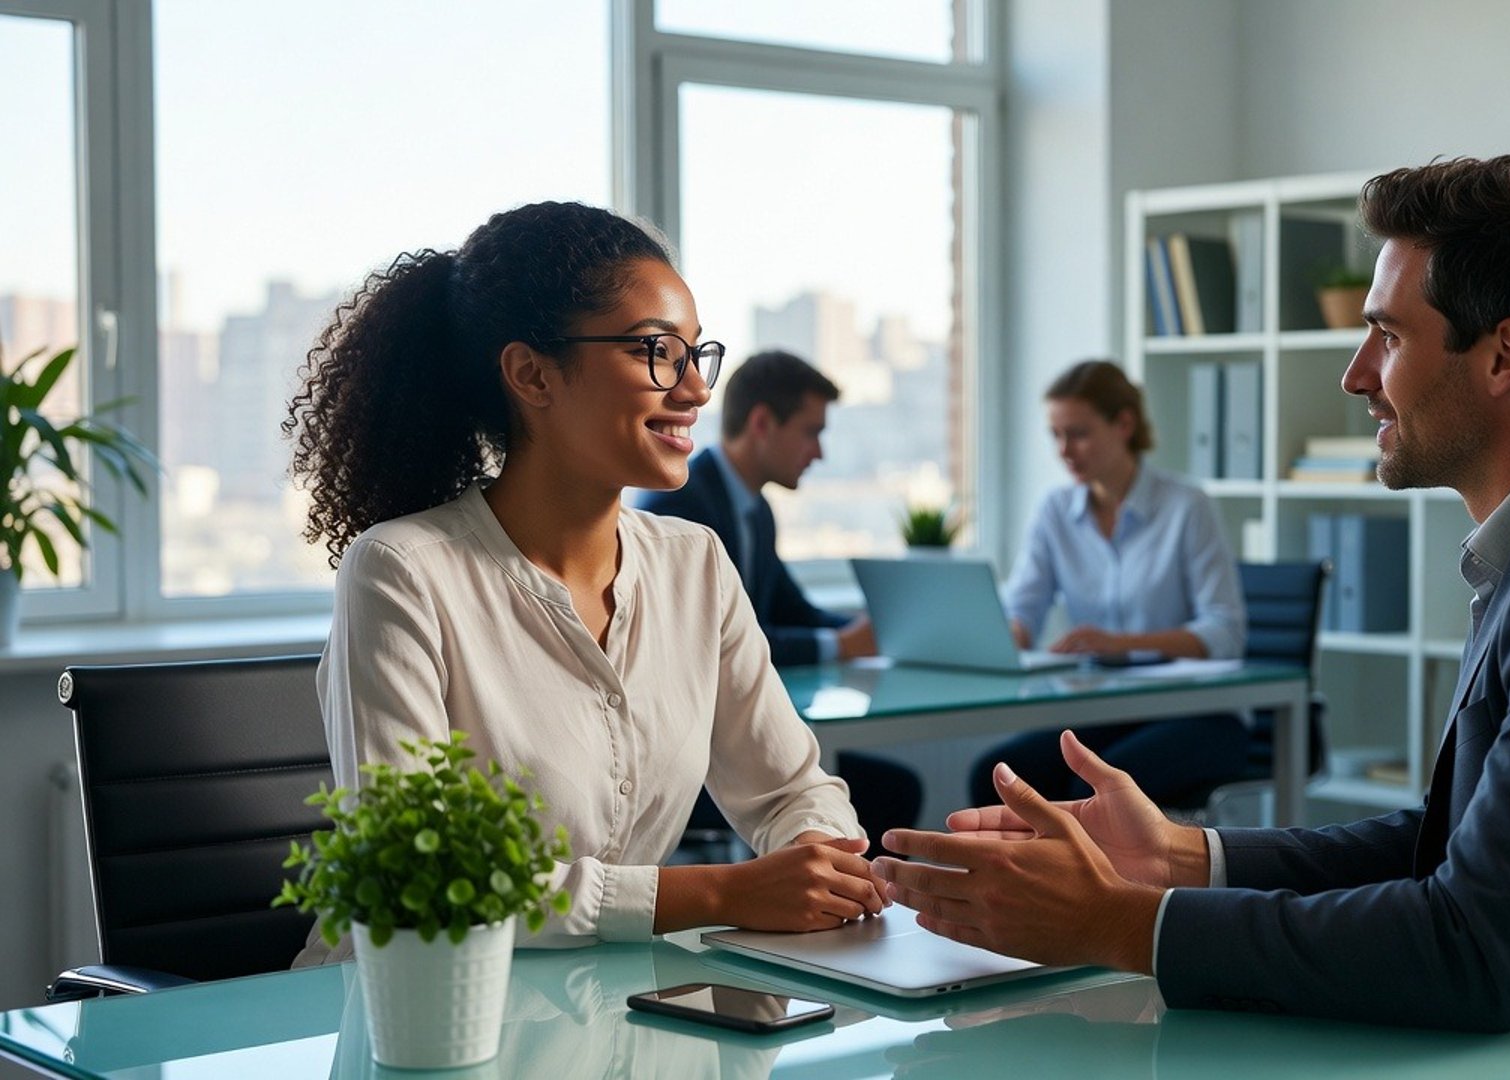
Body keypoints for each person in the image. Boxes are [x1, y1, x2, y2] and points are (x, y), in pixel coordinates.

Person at [873, 152, 1510, 1078]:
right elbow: (1453, 848)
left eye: (1388, 335)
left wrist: (1119, 926)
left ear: (1502, 356)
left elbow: (1468, 949)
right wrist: (1186, 857)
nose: (1357, 374)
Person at [283, 201, 884, 965]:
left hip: (608, 1008)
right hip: (411, 1017)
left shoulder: (694, 563)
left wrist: (821, 862)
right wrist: (724, 896)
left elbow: (789, 787)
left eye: (697, 355)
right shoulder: (403, 572)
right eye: (656, 352)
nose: (695, 390)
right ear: (532, 374)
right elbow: (425, 882)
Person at [634, 349, 922, 842]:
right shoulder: (677, 507)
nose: (820, 453)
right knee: (885, 793)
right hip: (693, 759)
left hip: (734, 740)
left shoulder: (754, 509)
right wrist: (842, 646)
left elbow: (793, 611)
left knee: (891, 788)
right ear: (763, 422)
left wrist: (872, 630)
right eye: (812, 432)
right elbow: (716, 645)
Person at [965, 360, 1248, 806]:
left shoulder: (1186, 507)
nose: (1064, 450)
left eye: (1077, 433)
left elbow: (1224, 632)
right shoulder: (1054, 511)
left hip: (1197, 714)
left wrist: (1121, 642)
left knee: (1093, 793)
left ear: (1124, 424)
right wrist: (999, 639)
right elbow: (1024, 611)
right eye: (1055, 435)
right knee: (996, 776)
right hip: (1103, 711)